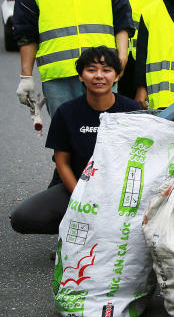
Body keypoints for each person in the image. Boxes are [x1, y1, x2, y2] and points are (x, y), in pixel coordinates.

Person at [9, 47, 140, 235]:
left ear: (117, 76)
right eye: (91, 70)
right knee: (23, 218)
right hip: (79, 185)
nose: (99, 76)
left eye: (106, 70)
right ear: (81, 76)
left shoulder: (131, 110)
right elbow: (62, 164)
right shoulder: (66, 112)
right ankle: (74, 231)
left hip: (120, 189)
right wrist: (81, 199)